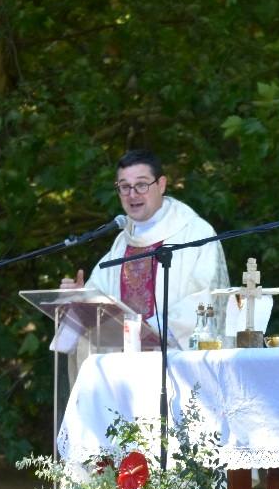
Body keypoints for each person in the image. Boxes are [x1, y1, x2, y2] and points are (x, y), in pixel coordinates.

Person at [66, 149, 229, 349]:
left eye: (141, 185)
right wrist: (80, 298)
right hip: (124, 362)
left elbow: (208, 296)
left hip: (176, 360)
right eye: (124, 187)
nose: (132, 194)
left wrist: (152, 330)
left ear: (161, 185)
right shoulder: (122, 243)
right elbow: (101, 302)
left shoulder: (196, 233)